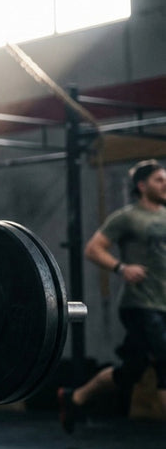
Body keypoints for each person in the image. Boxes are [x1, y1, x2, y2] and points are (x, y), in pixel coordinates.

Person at [60, 159, 166, 433]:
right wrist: (121, 268)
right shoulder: (127, 217)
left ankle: (76, 397)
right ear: (141, 185)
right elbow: (93, 248)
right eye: (159, 180)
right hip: (141, 304)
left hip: (163, 303)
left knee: (132, 369)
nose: (165, 184)